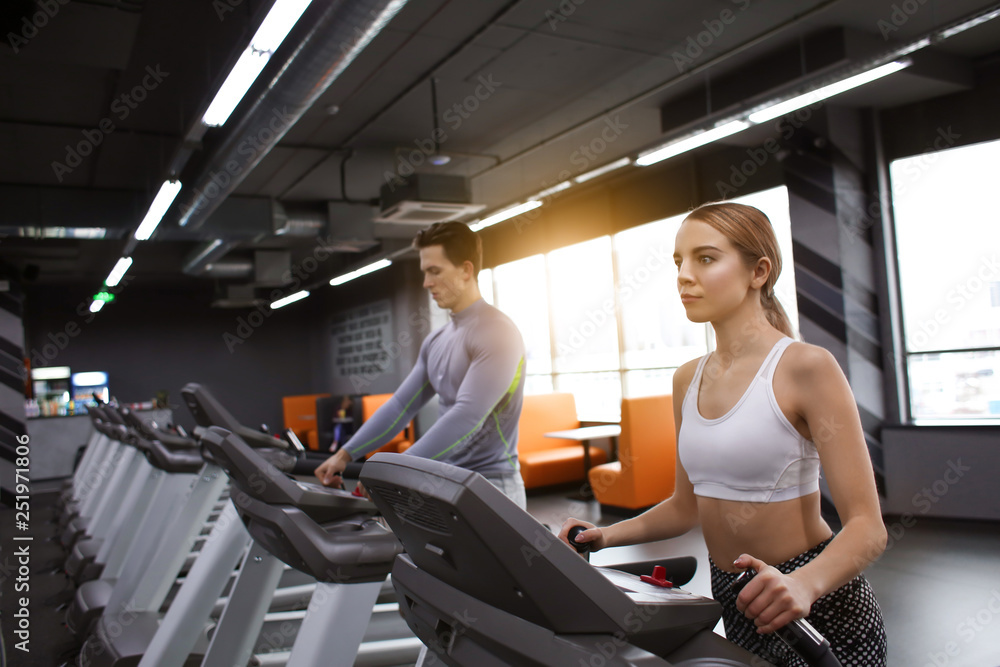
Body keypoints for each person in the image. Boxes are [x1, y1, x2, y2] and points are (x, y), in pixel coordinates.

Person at [559, 202, 887, 666]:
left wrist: (803, 584)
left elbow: (868, 529)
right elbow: (685, 506)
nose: (683, 276)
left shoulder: (806, 368)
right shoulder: (686, 380)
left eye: (705, 258)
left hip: (816, 607)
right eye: (678, 261)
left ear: (759, 271)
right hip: (735, 602)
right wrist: (605, 536)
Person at [315, 221, 528, 508]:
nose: (427, 282)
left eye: (435, 271)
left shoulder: (497, 332)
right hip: (447, 481)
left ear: (466, 270)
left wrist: (393, 469)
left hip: (492, 485)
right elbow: (401, 406)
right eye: (425, 272)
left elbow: (467, 416)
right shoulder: (436, 341)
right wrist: (344, 454)